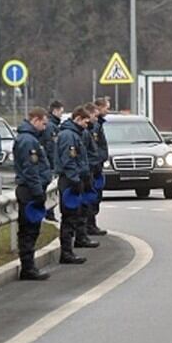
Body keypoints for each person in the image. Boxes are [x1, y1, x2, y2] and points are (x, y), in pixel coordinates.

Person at [14, 107, 53, 280]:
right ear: (35, 120)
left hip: (32, 190)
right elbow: (31, 169)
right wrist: (38, 192)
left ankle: (29, 266)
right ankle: (28, 268)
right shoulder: (28, 141)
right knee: (29, 230)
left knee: (32, 230)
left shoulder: (30, 138)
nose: (44, 127)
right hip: (29, 192)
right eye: (43, 123)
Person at [55, 107, 91, 264]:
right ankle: (66, 253)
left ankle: (68, 251)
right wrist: (75, 180)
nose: (86, 125)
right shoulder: (68, 136)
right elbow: (69, 161)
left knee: (74, 216)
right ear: (77, 118)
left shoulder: (74, 134)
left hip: (74, 179)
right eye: (85, 121)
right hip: (70, 182)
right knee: (69, 217)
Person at [74, 103, 101, 249]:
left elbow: (93, 151)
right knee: (77, 210)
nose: (89, 122)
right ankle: (77, 239)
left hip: (87, 173)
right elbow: (72, 159)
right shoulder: (72, 135)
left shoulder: (86, 132)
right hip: (79, 176)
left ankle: (82, 235)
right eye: (87, 120)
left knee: (86, 205)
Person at [86, 97, 110, 236]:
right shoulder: (93, 126)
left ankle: (91, 224)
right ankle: (89, 225)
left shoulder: (98, 124)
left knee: (96, 196)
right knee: (91, 196)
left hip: (97, 166)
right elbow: (93, 147)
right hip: (92, 167)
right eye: (106, 107)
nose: (107, 110)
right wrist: (97, 159)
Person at [41, 101, 64, 222]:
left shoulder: (53, 125)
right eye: (60, 111)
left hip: (50, 164)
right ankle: (49, 214)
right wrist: (53, 164)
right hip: (50, 165)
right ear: (55, 111)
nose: (61, 114)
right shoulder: (51, 127)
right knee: (50, 191)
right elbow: (51, 147)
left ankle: (49, 213)